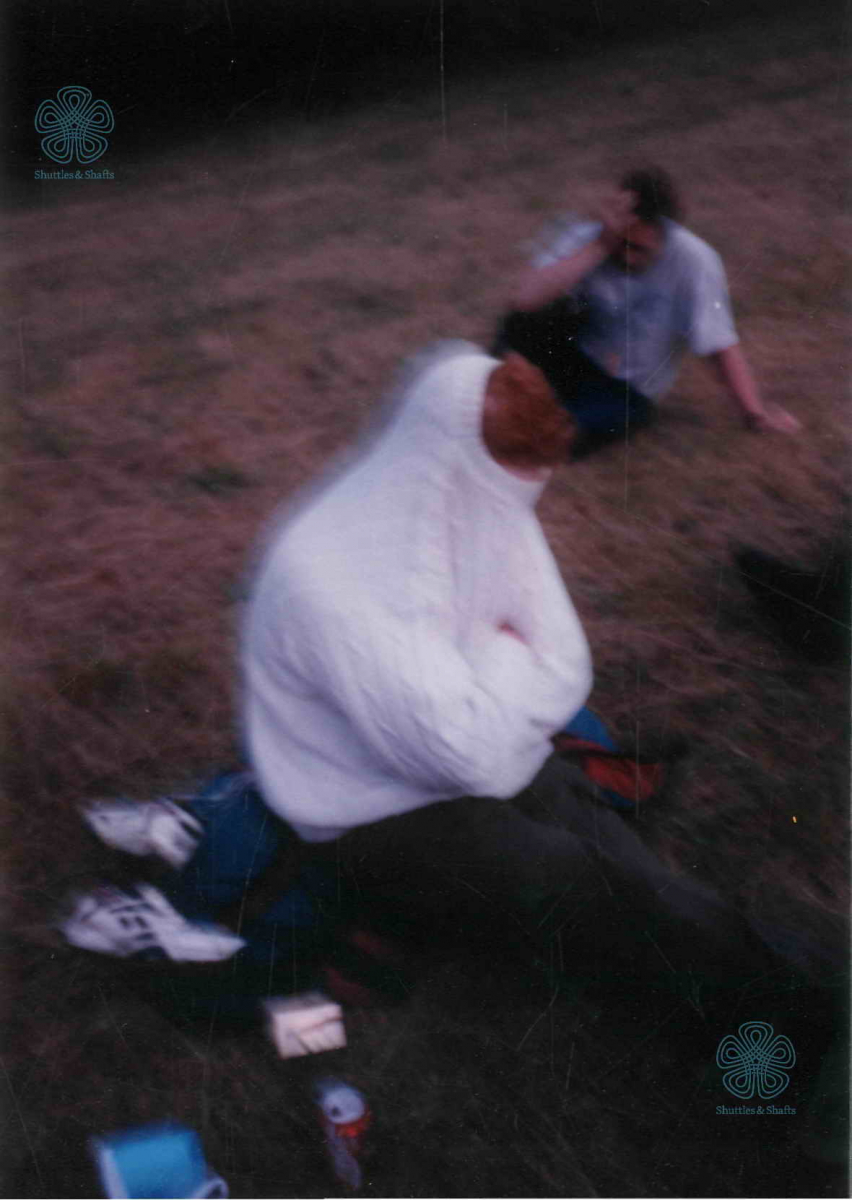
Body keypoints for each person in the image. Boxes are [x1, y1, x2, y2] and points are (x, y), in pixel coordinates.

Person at [236, 340, 822, 1016]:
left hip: (480, 747)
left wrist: (483, 690)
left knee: (609, 849)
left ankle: (780, 977)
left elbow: (568, 662)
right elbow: (464, 755)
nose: (519, 510)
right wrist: (507, 658)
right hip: (366, 815)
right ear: (453, 464)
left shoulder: (476, 498)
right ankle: (800, 1002)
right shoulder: (330, 582)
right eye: (510, 490)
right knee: (567, 877)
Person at [496, 166, 800, 453]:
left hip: (624, 389)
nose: (627, 257)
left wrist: (755, 416)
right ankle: (492, 395)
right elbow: (523, 301)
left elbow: (720, 346)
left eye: (639, 249)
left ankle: (517, 427)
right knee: (521, 325)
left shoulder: (695, 261)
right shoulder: (596, 236)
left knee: (582, 428)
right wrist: (600, 246)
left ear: (665, 232)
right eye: (622, 244)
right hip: (574, 359)